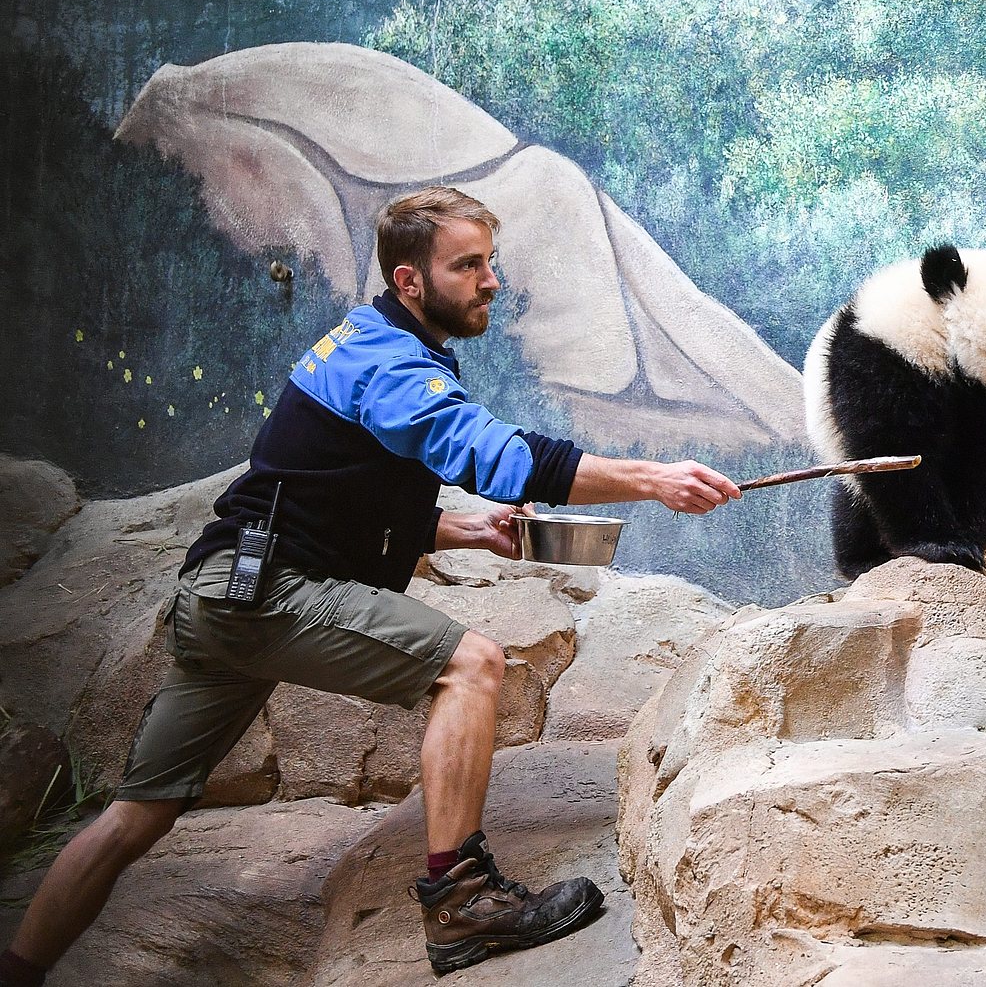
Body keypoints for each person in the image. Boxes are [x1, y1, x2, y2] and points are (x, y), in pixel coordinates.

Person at [0, 187, 746, 983]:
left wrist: (463, 529)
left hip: (225, 594)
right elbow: (496, 458)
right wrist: (654, 478)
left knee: (132, 818)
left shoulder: (373, 343)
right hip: (267, 593)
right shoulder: (387, 359)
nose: (491, 280)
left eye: (490, 262)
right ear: (409, 279)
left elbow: (335, 493)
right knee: (472, 663)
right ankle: (460, 907)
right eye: (468, 265)